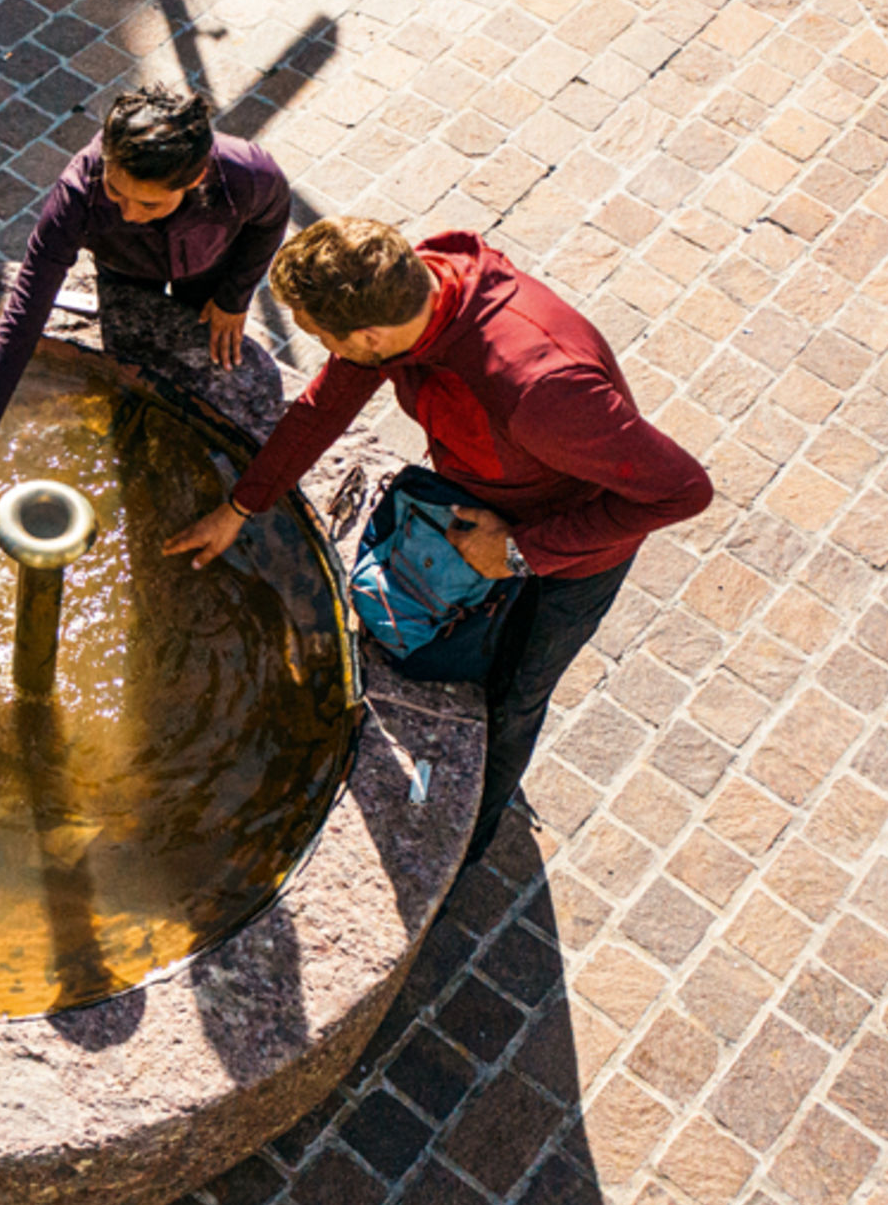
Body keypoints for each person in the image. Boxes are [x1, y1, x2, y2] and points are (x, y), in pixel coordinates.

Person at [165, 218, 713, 866]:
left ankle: (459, 851)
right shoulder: (412, 289)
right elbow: (327, 403)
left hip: (567, 559)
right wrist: (241, 504)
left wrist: (517, 554)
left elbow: (682, 491)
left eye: (324, 339)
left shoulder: (543, 389)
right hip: (483, 500)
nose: (325, 351)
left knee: (510, 700)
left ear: (370, 336)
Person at [0, 86, 292, 527]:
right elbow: (23, 319)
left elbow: (272, 218)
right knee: (127, 369)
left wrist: (235, 297)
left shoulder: (246, 175)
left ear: (195, 181)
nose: (128, 214)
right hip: (124, 273)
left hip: (209, 275)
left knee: (205, 374)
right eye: (116, 194)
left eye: (149, 203)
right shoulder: (78, 194)